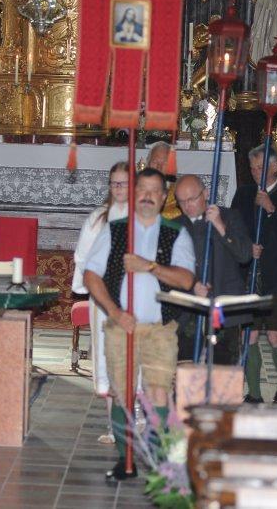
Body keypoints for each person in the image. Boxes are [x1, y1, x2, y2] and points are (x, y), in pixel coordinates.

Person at [83, 168, 196, 482]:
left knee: (159, 392)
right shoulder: (115, 230)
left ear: (164, 197)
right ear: (134, 194)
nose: (147, 196)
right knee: (122, 393)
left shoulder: (176, 232)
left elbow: (186, 279)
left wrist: (149, 266)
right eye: (142, 189)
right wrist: (114, 311)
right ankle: (126, 459)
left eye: (154, 190)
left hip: (160, 328)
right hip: (122, 326)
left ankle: (159, 460)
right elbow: (91, 275)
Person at [230, 146, 277, 405]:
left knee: (275, 334)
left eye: (260, 168)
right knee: (248, 334)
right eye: (252, 168)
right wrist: (246, 247)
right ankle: (254, 392)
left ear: (275, 167)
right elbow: (234, 229)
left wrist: (271, 209)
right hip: (248, 274)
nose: (255, 173)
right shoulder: (243, 193)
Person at [71, 161, 131, 445]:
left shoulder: (143, 216)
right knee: (107, 357)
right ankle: (114, 424)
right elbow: (82, 256)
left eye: (123, 183)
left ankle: (137, 419)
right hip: (105, 299)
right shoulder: (98, 218)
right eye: (114, 183)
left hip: (134, 298)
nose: (118, 188)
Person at [173, 174, 253, 365]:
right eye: (181, 202)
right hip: (188, 312)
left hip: (222, 309)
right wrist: (192, 285)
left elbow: (245, 255)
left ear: (206, 193)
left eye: (192, 199)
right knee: (186, 374)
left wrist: (219, 225)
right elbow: (169, 269)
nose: (187, 206)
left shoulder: (229, 217)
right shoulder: (175, 226)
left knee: (222, 372)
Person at [145, 141, 180, 219]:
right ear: (148, 163)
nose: (159, 167)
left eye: (164, 163)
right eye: (155, 162)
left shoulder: (179, 192)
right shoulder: (136, 189)